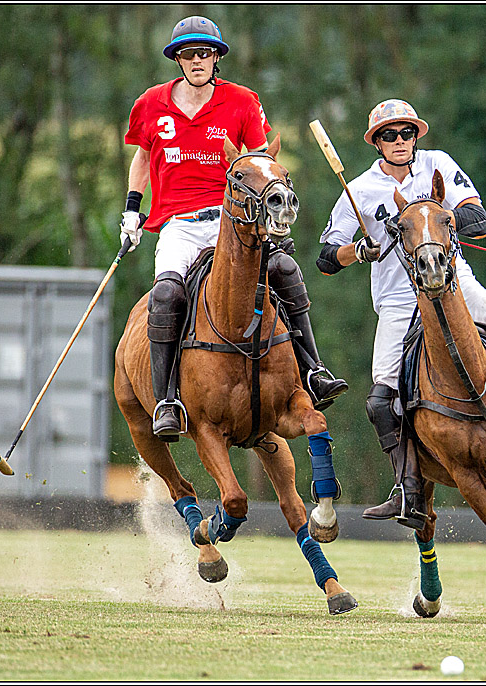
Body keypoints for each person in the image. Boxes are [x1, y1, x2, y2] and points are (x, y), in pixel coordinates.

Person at [315, 98, 486, 527]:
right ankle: (407, 488)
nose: (399, 141)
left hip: (455, 285)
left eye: (406, 132)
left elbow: (477, 217)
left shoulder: (438, 165)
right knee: (380, 401)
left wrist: (429, 221)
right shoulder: (359, 189)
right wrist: (360, 250)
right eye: (389, 135)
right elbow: (325, 258)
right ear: (377, 142)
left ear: (416, 135)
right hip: (399, 300)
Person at [120, 15, 347, 439]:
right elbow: (141, 156)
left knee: (285, 270)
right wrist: (133, 210)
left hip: (233, 221)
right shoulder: (150, 103)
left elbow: (259, 163)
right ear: (178, 59)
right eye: (189, 53)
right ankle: (168, 399)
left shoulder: (242, 101)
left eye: (205, 52)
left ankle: (313, 369)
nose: (197, 60)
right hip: (178, 225)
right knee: (167, 294)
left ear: (216, 57)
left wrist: (270, 214)